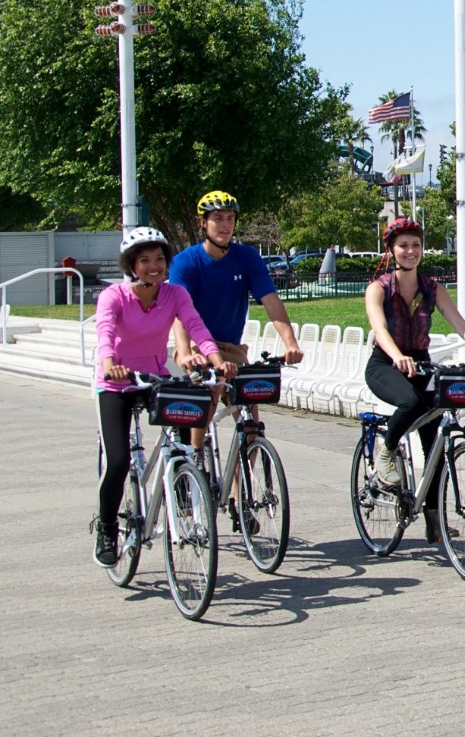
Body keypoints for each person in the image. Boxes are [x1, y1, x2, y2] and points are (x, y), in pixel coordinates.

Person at [91, 227, 237, 567]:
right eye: (145, 261)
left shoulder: (174, 295)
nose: (154, 266)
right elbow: (106, 332)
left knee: (186, 423)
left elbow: (196, 327)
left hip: (155, 376)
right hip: (118, 382)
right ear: (131, 265)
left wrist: (217, 361)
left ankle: (184, 483)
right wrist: (110, 363)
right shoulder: (114, 296)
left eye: (159, 259)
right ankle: (107, 526)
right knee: (118, 461)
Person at [363, 217, 465, 542]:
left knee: (436, 442)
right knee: (410, 401)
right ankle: (387, 449)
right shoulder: (379, 288)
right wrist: (397, 354)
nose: (411, 251)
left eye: (416, 244)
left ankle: (432, 519)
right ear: (391, 250)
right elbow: (379, 328)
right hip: (385, 363)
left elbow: (460, 323)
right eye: (404, 245)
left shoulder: (432, 288)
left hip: (421, 365)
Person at [168, 190, 305, 473]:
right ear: (202, 223)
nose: (225, 225)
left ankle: (238, 497)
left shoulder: (246, 257)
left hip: (232, 349)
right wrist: (183, 353)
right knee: (207, 399)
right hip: (198, 347)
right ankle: (196, 465)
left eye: (230, 218)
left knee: (251, 421)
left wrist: (290, 343)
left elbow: (271, 301)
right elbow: (180, 312)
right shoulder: (186, 261)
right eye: (217, 218)